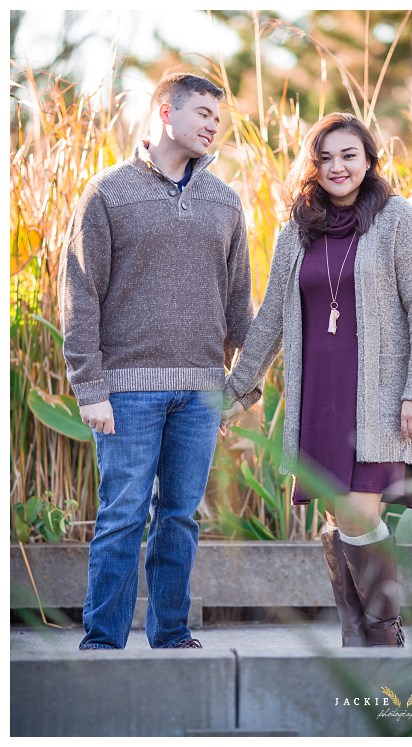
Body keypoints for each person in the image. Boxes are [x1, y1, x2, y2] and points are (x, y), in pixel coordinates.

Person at [221, 112, 412, 648]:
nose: (338, 167)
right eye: (326, 158)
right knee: (343, 511)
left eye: (349, 155)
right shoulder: (297, 232)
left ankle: (384, 632)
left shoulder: (397, 219)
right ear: (312, 166)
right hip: (320, 391)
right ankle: (356, 631)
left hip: (380, 396)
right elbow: (271, 316)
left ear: (369, 160)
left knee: (360, 509)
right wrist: (238, 388)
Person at [58, 72, 253, 650]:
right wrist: (88, 387)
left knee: (181, 519)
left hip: (200, 392)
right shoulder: (108, 192)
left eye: (218, 117)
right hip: (125, 390)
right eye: (201, 113)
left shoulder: (225, 201)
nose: (212, 125)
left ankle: (171, 632)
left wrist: (242, 386)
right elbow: (80, 292)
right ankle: (104, 639)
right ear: (164, 113)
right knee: (121, 516)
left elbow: (238, 303)